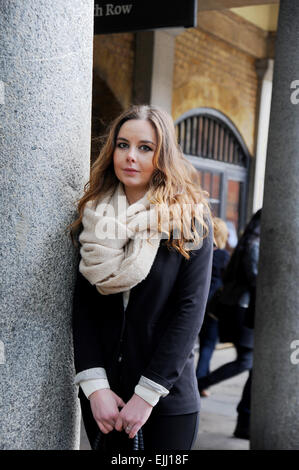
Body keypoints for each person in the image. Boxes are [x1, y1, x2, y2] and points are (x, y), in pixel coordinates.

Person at [68, 104, 214, 451]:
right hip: (104, 401)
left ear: (162, 155)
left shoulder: (188, 222)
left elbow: (188, 316)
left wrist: (146, 396)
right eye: (122, 145)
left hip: (165, 399)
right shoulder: (93, 219)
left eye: (145, 147)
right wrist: (95, 388)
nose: (130, 156)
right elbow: (82, 311)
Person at [197, 210, 261, 399]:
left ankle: (245, 416)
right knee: (246, 361)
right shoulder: (253, 246)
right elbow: (255, 279)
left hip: (232, 308)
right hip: (242, 309)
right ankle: (200, 383)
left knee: (249, 361)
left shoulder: (245, 246)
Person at [195, 217, 230, 396]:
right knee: (208, 346)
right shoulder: (223, 255)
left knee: (200, 345)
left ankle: (200, 381)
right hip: (213, 309)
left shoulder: (199, 251)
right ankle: (200, 382)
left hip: (198, 304)